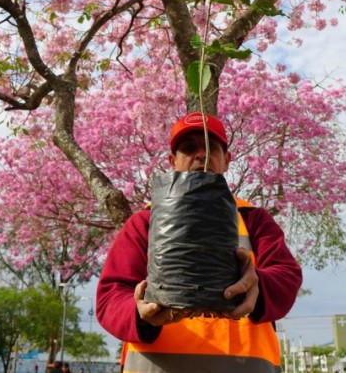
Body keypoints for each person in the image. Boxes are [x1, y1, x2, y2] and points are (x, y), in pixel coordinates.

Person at [96, 112, 303, 372]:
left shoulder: (254, 220)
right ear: (173, 161)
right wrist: (140, 313)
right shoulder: (144, 223)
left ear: (226, 160)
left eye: (211, 148)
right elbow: (110, 297)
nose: (201, 155)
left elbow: (287, 277)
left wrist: (257, 285)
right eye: (189, 148)